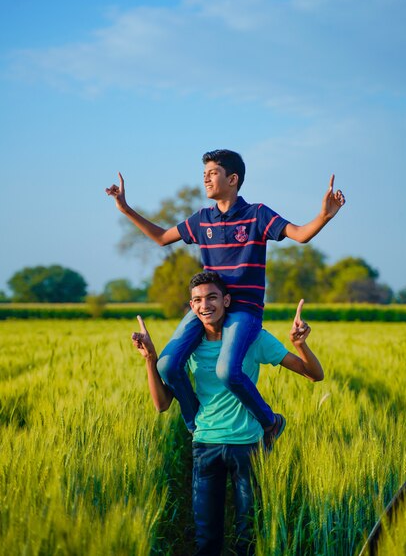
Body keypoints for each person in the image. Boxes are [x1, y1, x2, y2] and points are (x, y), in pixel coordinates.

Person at [106, 149, 343, 442]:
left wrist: (324, 215)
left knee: (228, 371)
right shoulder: (202, 219)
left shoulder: (257, 214)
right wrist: (125, 208)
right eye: (203, 173)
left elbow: (301, 234)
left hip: (243, 310)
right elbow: (161, 237)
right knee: (166, 364)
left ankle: (270, 422)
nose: (205, 178)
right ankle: (196, 425)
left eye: (212, 173)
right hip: (208, 307)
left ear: (232, 179)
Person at [132, 271, 324, 556]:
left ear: (226, 300)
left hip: (249, 447)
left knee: (248, 536)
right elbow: (162, 404)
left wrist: (300, 344)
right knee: (206, 540)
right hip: (205, 446)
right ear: (191, 305)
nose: (204, 305)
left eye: (211, 297)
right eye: (197, 300)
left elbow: (314, 375)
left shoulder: (253, 338)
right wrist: (150, 359)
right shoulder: (188, 349)